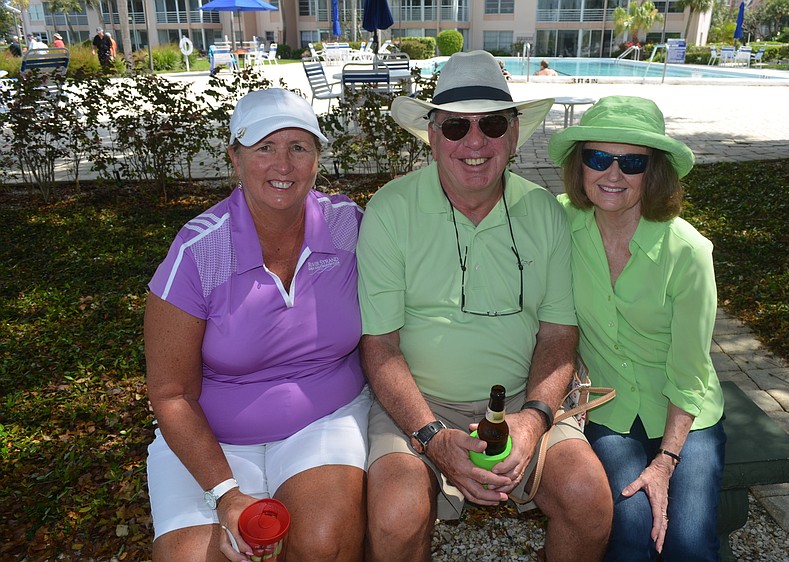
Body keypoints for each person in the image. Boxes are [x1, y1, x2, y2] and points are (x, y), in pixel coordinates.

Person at [357, 50, 613, 562]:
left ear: (515, 134)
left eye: (492, 124)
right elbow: (379, 346)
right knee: (394, 517)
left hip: (522, 400)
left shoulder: (544, 213)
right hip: (420, 405)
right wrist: (432, 437)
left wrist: (535, 419)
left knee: (590, 502)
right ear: (431, 135)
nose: (474, 142)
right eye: (455, 127)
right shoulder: (389, 210)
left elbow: (559, 334)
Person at [145, 88, 370, 562]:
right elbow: (171, 394)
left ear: (316, 159)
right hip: (212, 437)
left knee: (322, 543)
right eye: (264, 147)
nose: (282, 165)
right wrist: (226, 494)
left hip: (322, 419)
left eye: (298, 147)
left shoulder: (349, 225)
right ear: (235, 157)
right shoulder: (198, 252)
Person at [548, 96, 726, 561]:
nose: (612, 174)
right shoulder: (557, 221)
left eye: (631, 162)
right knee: (629, 531)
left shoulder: (688, 252)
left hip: (684, 410)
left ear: (655, 173)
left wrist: (666, 462)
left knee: (687, 543)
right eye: (598, 158)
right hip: (608, 405)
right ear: (580, 165)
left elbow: (690, 372)